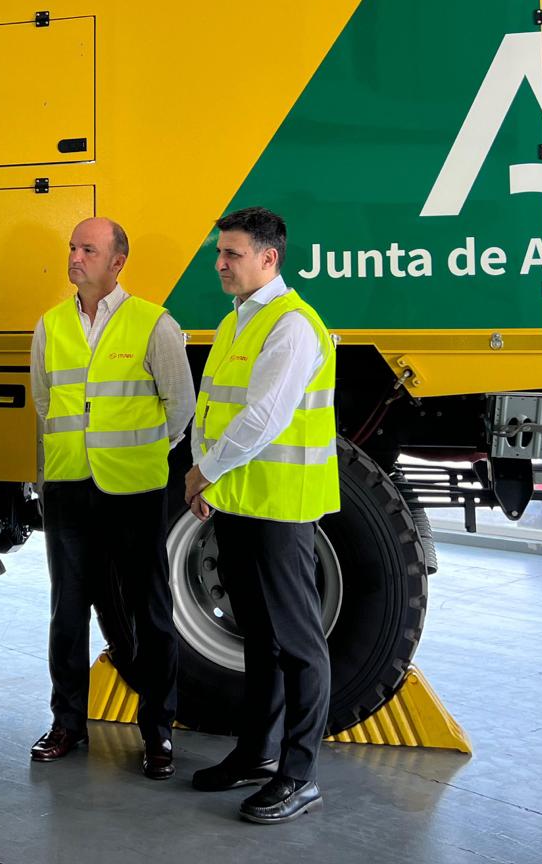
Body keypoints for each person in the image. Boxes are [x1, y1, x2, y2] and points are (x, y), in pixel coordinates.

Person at [183, 206, 338, 825]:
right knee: (262, 641)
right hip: (239, 504)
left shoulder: (292, 326)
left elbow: (264, 418)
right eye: (220, 253)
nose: (221, 264)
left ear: (269, 258)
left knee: (299, 645)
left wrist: (205, 472)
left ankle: (299, 776)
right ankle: (257, 754)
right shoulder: (237, 323)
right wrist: (206, 478)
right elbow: (211, 408)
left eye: (233, 254)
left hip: (280, 508)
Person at [29, 218, 194, 780]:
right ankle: (67, 723)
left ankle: (159, 732)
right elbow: (45, 404)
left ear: (116, 261)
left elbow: (181, 408)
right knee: (66, 613)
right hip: (69, 487)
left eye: (87, 249)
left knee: (149, 612)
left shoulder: (153, 324)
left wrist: (140, 455)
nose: (75, 256)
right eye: (72, 247)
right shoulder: (50, 326)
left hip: (134, 489)